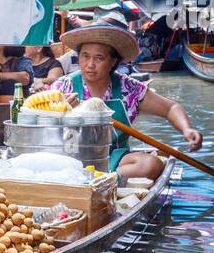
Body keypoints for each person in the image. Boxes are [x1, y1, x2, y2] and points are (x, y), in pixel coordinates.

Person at [50, 20, 202, 179]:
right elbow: (37, 123)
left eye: (99, 58)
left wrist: (187, 129)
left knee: (151, 165)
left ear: (114, 61)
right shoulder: (63, 86)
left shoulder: (129, 88)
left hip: (114, 160)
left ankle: (105, 180)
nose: (90, 65)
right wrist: (61, 112)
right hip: (70, 160)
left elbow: (171, 108)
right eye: (85, 56)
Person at [0, 44, 64, 92]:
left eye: (26, 44)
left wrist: (40, 81)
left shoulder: (53, 63)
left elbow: (54, 79)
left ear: (39, 47)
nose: (23, 46)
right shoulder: (19, 62)